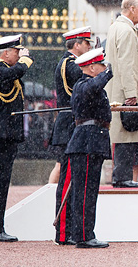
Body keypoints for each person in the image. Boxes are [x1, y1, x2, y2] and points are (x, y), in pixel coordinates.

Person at [0, 34, 33, 242]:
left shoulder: (3, 71)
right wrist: (27, 61)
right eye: (17, 51)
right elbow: (15, 73)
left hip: (3, 135)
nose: (19, 55)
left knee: (1, 183)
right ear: (7, 53)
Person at [105, 0, 138, 188]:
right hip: (126, 93)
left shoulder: (117, 27)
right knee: (127, 134)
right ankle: (122, 177)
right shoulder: (126, 31)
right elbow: (126, 64)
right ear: (131, 9)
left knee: (126, 135)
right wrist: (131, 93)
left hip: (120, 90)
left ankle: (121, 176)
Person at [51, 26, 92, 245]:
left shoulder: (74, 64)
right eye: (87, 44)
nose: (89, 48)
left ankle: (70, 230)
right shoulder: (71, 65)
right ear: (77, 45)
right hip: (70, 127)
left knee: (74, 181)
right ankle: (64, 232)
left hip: (74, 127)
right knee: (67, 181)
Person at [68, 48, 113, 248]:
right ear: (92, 67)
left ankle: (85, 233)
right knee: (85, 192)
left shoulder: (90, 86)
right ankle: (84, 236)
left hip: (92, 141)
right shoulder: (83, 84)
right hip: (87, 141)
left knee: (88, 191)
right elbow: (93, 87)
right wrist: (108, 74)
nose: (104, 69)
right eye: (101, 66)